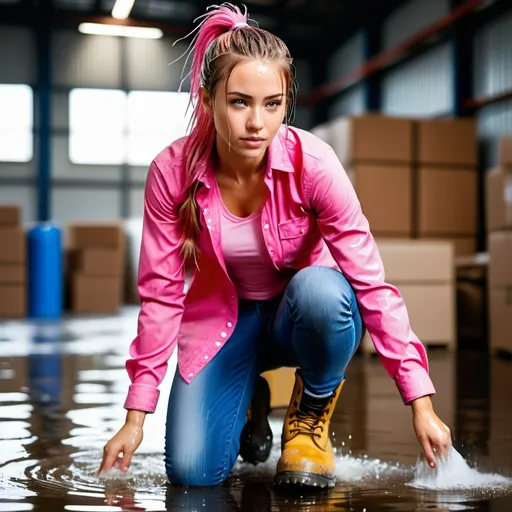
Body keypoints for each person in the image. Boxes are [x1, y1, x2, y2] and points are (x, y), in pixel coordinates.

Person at [98, 2, 452, 489]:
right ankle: (250, 400)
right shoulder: (171, 172)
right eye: (239, 101)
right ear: (208, 100)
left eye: (272, 104)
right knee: (193, 475)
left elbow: (372, 283)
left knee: (325, 293)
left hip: (299, 314)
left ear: (287, 102)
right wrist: (136, 417)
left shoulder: (315, 164)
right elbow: (161, 295)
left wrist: (421, 403)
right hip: (222, 327)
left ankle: (308, 418)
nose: (257, 123)